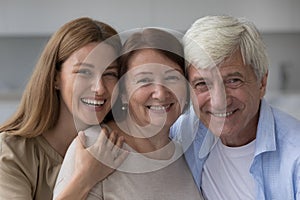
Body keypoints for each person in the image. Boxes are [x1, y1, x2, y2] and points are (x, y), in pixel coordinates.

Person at [53, 28, 204, 200]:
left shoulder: (185, 155)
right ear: (123, 92)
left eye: (172, 78)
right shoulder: (93, 146)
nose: (161, 94)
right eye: (144, 80)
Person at [171, 15, 300, 199]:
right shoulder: (182, 133)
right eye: (202, 84)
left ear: (262, 82)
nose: (219, 101)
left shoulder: (295, 156)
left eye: (233, 80)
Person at [0, 17, 127, 200]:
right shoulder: (11, 151)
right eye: (84, 72)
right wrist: (86, 178)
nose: (99, 88)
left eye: (110, 74)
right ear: (55, 77)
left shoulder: (121, 147)